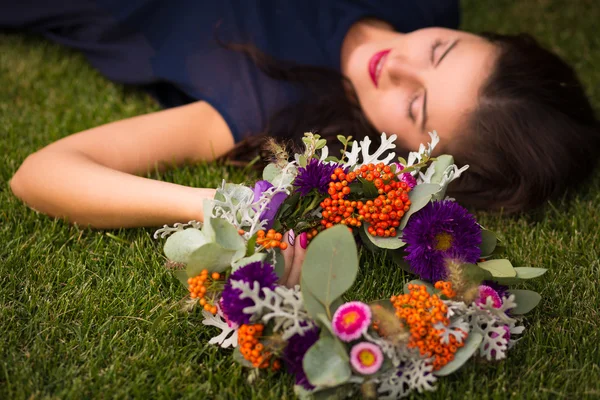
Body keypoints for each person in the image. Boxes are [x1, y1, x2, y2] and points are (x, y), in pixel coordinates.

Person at [4, 1, 600, 287]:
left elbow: (41, 173)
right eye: (439, 50)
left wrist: (217, 207)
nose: (397, 66)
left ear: (417, 151)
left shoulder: (269, 103)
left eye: (415, 106)